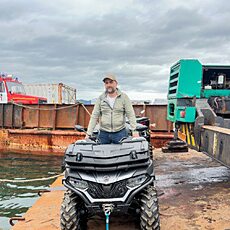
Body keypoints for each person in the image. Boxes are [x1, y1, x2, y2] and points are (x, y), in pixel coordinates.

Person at [86, 74, 139, 144]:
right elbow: (94, 116)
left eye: (111, 82)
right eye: (106, 83)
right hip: (103, 134)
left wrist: (134, 131)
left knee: (122, 154)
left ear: (116, 83)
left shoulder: (124, 97)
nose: (108, 85)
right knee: (101, 154)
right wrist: (88, 133)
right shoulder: (101, 98)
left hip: (120, 133)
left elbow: (130, 114)